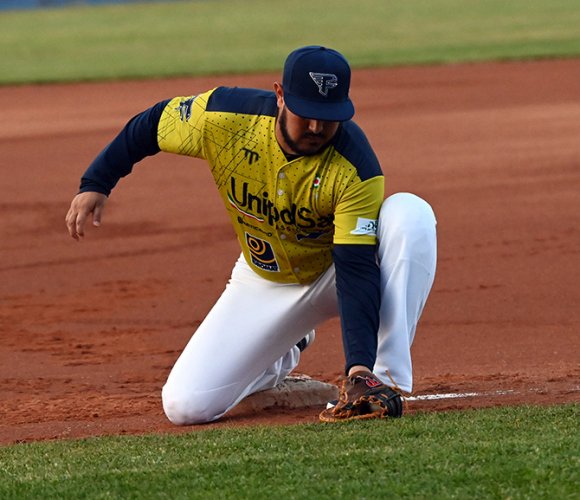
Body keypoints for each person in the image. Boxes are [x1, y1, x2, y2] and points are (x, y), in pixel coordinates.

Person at [65, 45, 437, 424]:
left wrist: (357, 367)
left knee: (410, 214)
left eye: (329, 117)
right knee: (185, 406)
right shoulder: (223, 117)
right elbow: (153, 123)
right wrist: (97, 181)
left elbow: (356, 270)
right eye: (306, 114)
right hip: (265, 278)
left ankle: (378, 379)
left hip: (334, 272)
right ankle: (285, 348)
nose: (316, 128)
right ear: (280, 96)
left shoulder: (355, 167)